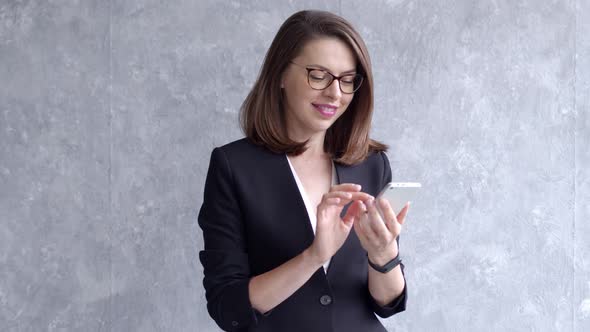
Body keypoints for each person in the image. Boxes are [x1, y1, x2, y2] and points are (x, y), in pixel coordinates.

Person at [198, 9, 410, 332]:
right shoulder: (233, 168)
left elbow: (387, 303)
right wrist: (314, 256)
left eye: (347, 79)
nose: (335, 93)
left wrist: (384, 255)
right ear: (281, 74)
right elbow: (228, 305)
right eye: (319, 75)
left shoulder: (370, 165)